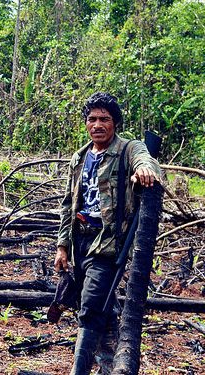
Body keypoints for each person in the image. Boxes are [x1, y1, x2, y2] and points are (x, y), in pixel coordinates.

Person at [54, 92, 161, 374]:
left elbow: (146, 160)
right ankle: (109, 366)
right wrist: (63, 245)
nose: (98, 124)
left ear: (115, 123)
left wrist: (144, 172)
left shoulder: (127, 149)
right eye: (92, 119)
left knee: (90, 309)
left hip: (108, 244)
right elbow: (68, 203)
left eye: (105, 119)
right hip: (80, 241)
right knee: (100, 307)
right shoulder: (79, 158)